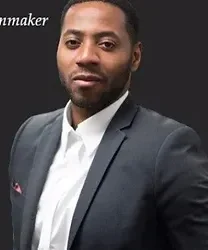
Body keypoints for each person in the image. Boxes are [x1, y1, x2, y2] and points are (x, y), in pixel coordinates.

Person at [9, 0, 208, 249]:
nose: (85, 57)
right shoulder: (30, 134)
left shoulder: (169, 150)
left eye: (106, 44)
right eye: (73, 42)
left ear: (135, 57)